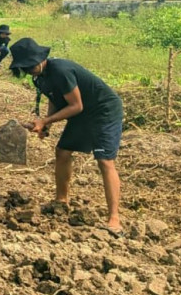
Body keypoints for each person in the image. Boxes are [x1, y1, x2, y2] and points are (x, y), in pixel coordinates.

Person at [9, 38, 125, 235]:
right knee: (62, 152)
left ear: (41, 58)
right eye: (25, 67)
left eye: (31, 65)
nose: (29, 70)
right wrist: (47, 123)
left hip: (103, 110)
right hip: (82, 112)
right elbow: (56, 99)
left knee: (105, 161)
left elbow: (76, 105)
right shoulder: (39, 77)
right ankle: (61, 201)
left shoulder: (61, 70)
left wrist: (45, 121)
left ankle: (114, 218)